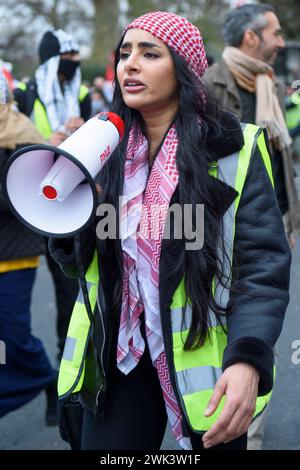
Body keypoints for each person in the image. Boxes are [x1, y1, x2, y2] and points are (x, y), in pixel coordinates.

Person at [49, 12, 291, 451]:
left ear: (182, 68)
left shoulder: (233, 148)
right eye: (124, 54)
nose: (130, 65)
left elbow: (262, 267)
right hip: (119, 357)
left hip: (206, 364)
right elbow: (74, 262)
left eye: (149, 53)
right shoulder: (102, 147)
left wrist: (248, 358)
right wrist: (71, 217)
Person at [14, 29, 92, 360]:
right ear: (51, 60)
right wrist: (45, 143)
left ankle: (67, 364)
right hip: (27, 201)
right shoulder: (22, 94)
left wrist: (81, 132)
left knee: (70, 291)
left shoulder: (84, 93)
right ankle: (30, 365)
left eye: (77, 57)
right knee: (16, 299)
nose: (74, 64)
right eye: (68, 58)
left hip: (71, 200)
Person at [204, 3, 300, 252]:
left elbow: (280, 157)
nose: (281, 42)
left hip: (275, 218)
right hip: (231, 227)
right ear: (251, 37)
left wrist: (287, 220)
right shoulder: (208, 85)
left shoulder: (271, 83)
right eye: (276, 34)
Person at [0, 70, 57, 425]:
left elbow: (21, 195)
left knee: (14, 335)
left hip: (14, 254)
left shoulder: (19, 134)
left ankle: (45, 379)